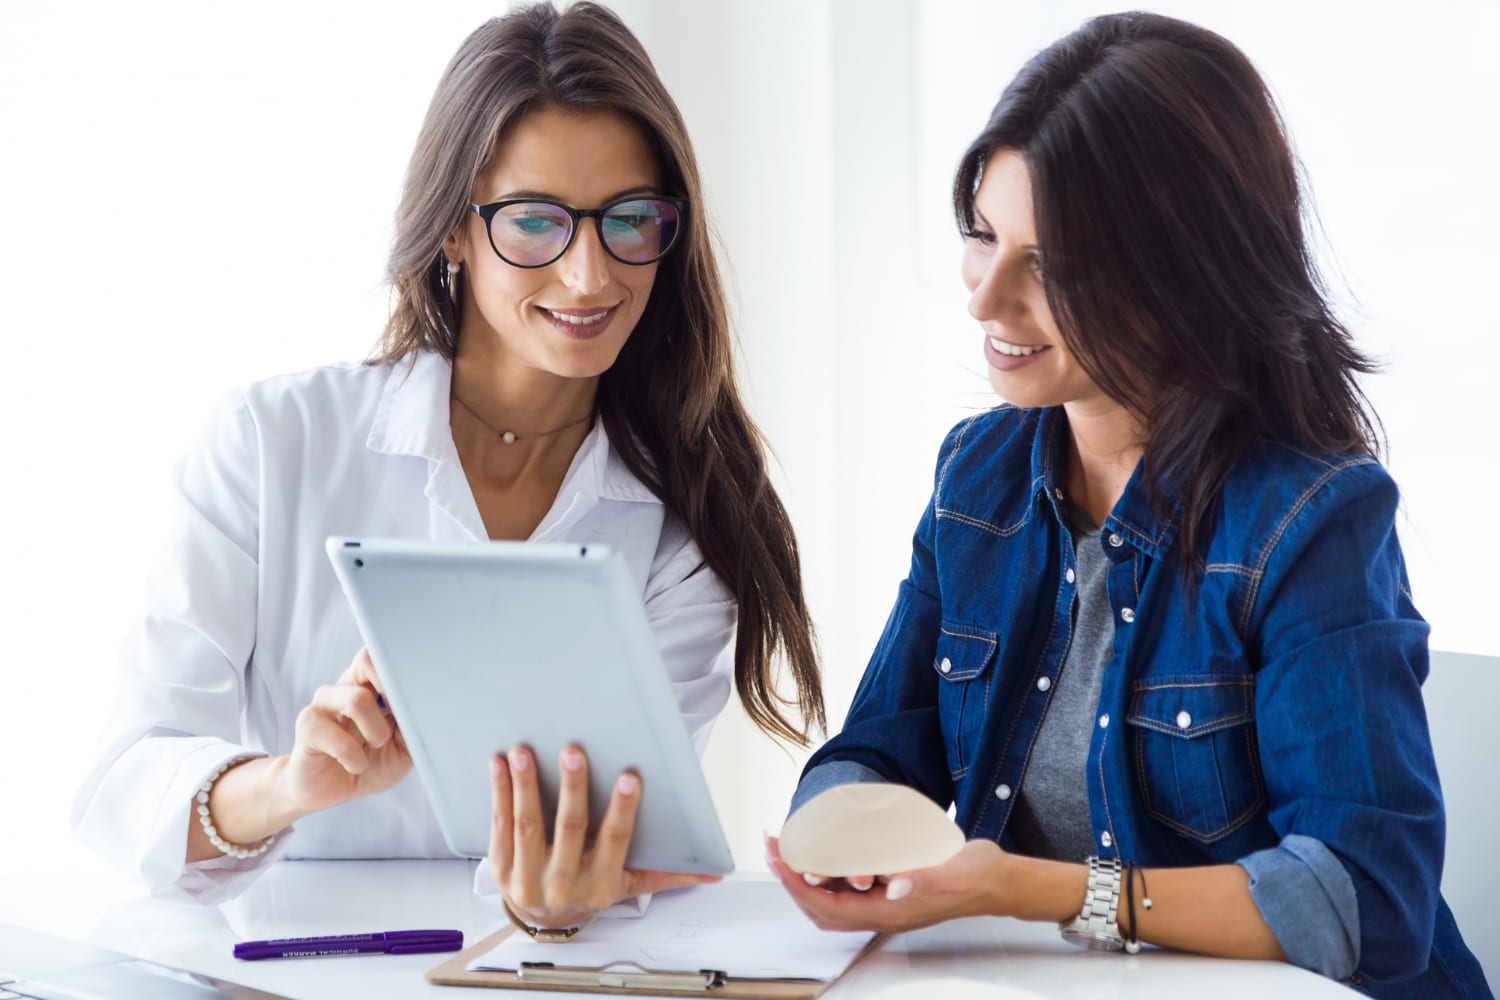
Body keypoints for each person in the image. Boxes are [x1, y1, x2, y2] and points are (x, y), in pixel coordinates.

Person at [766, 12, 1490, 999]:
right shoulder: (977, 477)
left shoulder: (1311, 518)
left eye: (1051, 268)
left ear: (1182, 274)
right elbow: (883, 747)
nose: (984, 299)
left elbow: (1363, 899)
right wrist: (839, 831)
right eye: (983, 235)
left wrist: (1039, 890)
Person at [72, 1, 824, 937]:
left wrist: (558, 895)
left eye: (630, 220)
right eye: (535, 223)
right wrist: (286, 786)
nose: (591, 275)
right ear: (453, 233)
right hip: (276, 976)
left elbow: (616, 848)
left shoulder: (687, 528)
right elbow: (122, 783)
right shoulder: (272, 443)